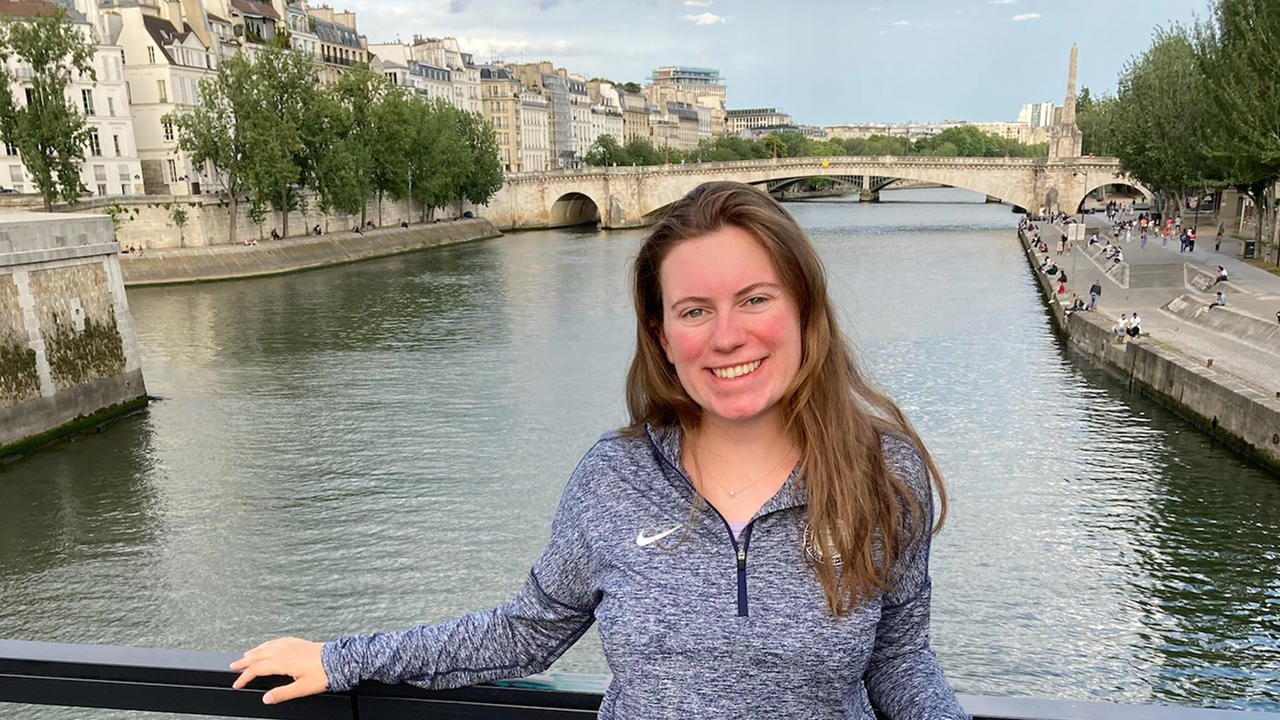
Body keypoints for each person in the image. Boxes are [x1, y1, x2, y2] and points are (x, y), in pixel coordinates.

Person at [227, 182, 968, 719]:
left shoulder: (883, 473)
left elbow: (899, 660)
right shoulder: (614, 477)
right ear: (662, 336)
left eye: (755, 298)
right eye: (694, 311)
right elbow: (528, 630)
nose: (728, 335)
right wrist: (339, 659)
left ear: (805, 310)